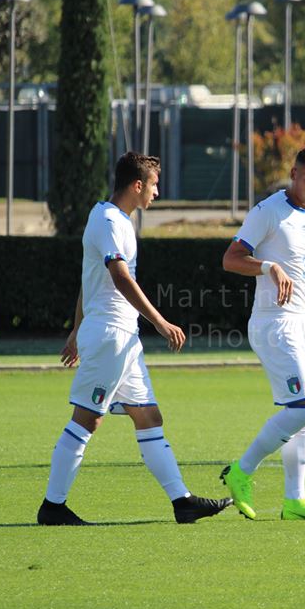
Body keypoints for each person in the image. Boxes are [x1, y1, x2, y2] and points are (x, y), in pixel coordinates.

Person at [37, 152, 231, 525]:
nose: (157, 192)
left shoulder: (117, 220)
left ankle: (182, 502)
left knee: (148, 416)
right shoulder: (108, 219)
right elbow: (119, 276)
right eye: (155, 184)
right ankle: (53, 507)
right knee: (87, 420)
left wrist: (76, 330)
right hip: (111, 335)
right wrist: (159, 321)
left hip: (121, 338)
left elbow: (86, 283)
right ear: (137, 185)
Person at [220, 145, 305, 521]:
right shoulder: (267, 212)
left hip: (301, 322)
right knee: (302, 408)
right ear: (294, 173)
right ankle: (240, 471)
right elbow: (230, 259)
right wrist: (268, 268)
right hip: (272, 324)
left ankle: (295, 500)